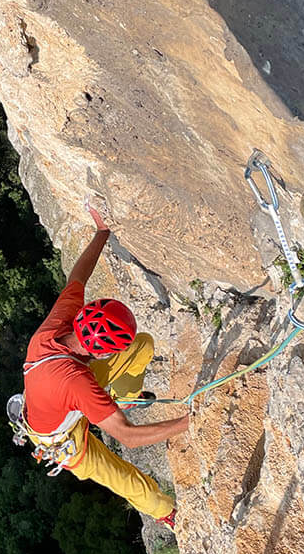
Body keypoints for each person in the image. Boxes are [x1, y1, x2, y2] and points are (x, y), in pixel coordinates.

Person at [21, 203, 188, 528]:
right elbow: (128, 437)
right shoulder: (76, 381)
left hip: (57, 395)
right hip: (63, 439)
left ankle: (125, 399)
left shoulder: (61, 322)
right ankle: (165, 512)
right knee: (126, 479)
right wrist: (187, 424)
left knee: (142, 346)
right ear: (99, 353)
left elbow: (78, 276)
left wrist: (102, 232)